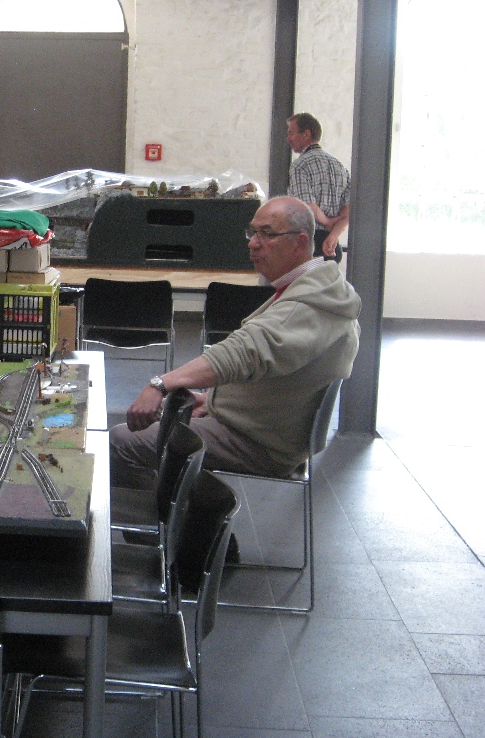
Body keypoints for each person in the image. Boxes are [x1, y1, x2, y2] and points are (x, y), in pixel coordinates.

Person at [110, 196, 361, 489]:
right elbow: (278, 371)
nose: (253, 243)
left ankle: (167, 516)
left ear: (300, 243)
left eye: (267, 234)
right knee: (158, 420)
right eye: (252, 232)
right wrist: (213, 401)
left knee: (121, 440)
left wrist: (160, 384)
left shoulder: (305, 306)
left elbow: (245, 352)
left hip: (258, 443)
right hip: (263, 426)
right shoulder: (319, 289)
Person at [286, 112, 351, 262]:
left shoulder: (300, 166)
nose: (288, 139)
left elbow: (307, 206)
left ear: (306, 134)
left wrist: (327, 222)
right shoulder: (340, 167)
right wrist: (333, 236)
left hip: (307, 246)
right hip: (331, 248)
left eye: (291, 133)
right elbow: (347, 214)